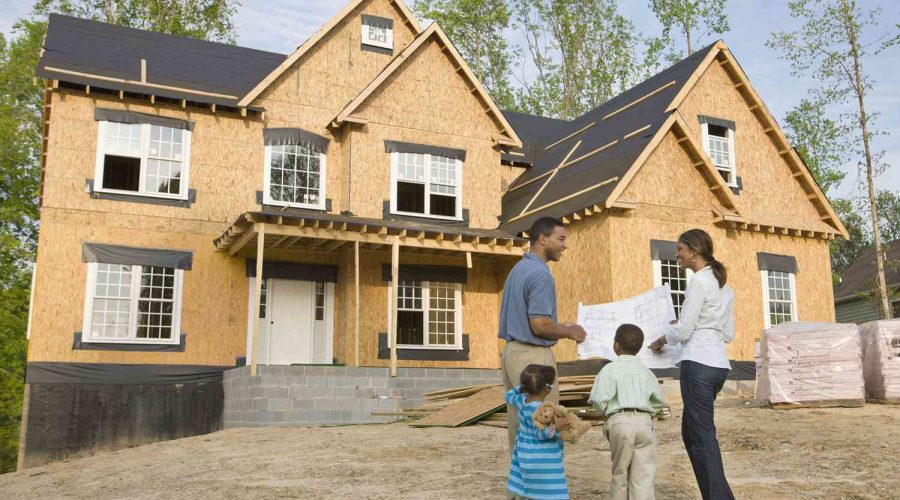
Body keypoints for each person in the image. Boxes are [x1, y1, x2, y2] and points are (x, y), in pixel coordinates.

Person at [649, 229, 735, 500]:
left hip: (698, 364)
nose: (677, 255)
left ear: (695, 252)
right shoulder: (723, 285)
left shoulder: (698, 282)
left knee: (702, 437)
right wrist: (689, 325)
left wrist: (663, 337)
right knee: (692, 433)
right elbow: (728, 332)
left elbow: (684, 332)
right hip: (718, 364)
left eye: (680, 250)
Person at [498, 217, 587, 456]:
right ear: (542, 239)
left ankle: (520, 489)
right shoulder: (540, 274)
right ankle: (542, 488)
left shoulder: (518, 269)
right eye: (561, 239)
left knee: (521, 426)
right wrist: (570, 331)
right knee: (544, 421)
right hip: (533, 357)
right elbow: (539, 325)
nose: (564, 245)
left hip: (512, 353)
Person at [589, 324, 665, 500]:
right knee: (643, 476)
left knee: (620, 473)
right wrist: (648, 414)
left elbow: (599, 400)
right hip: (645, 423)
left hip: (619, 421)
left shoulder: (608, 370)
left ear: (616, 345)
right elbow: (659, 401)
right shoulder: (647, 372)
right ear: (639, 348)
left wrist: (607, 413)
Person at [505, 364, 570, 500]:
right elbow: (541, 434)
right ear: (546, 389)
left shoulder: (521, 401)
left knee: (530, 487)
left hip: (525, 453)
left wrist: (525, 386)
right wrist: (556, 427)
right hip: (541, 456)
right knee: (549, 489)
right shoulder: (540, 410)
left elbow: (509, 395)